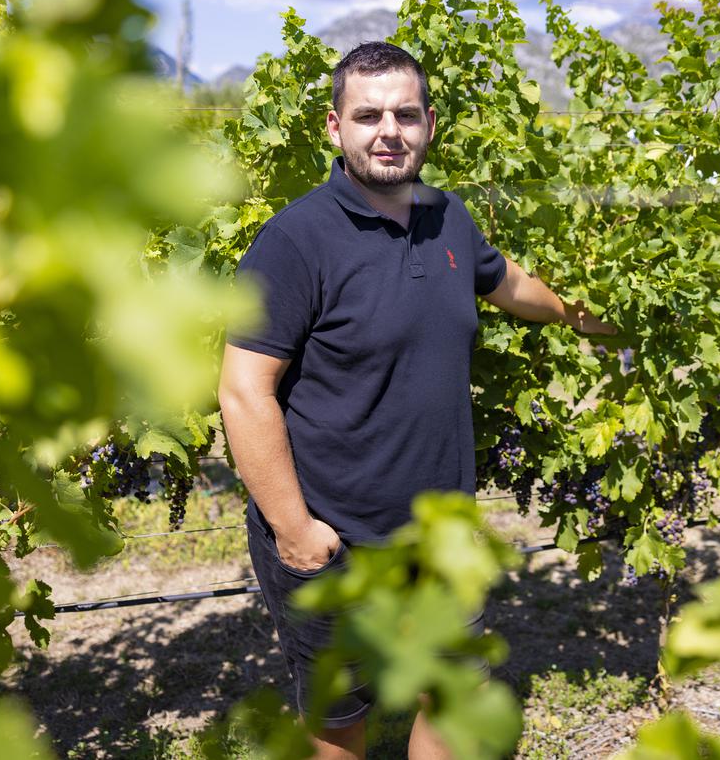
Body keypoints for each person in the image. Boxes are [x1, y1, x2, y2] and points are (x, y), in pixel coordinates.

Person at [217, 41, 616, 760]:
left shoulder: (445, 215)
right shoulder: (294, 242)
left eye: (405, 114)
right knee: (339, 725)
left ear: (430, 123)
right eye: (367, 115)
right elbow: (244, 392)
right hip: (335, 539)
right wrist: (295, 530)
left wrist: (582, 316)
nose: (389, 130)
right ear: (335, 129)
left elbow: (509, 283)